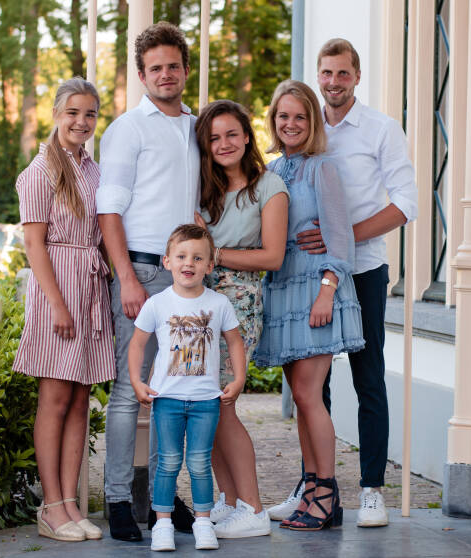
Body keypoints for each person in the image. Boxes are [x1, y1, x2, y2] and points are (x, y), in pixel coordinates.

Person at [272, 38, 419, 528]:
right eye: (326, 73)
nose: (333, 82)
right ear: (318, 75)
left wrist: (343, 236)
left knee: (368, 378)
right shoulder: (305, 125)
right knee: (312, 388)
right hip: (306, 277)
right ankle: (313, 487)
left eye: (342, 73)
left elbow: (406, 203)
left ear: (356, 76)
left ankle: (372, 489)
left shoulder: (380, 129)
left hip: (364, 270)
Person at [96, 21, 199, 542]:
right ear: (141, 75)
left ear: (185, 69)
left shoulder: (196, 127)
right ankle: (117, 500)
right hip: (141, 272)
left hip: (187, 277)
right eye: (155, 68)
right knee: (128, 390)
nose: (165, 75)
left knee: (173, 390)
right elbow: (108, 210)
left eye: (172, 66)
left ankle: (162, 497)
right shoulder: (127, 129)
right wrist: (128, 279)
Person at [253, 80, 365, 531]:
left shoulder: (324, 168)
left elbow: (340, 236)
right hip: (282, 289)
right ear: (273, 120)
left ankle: (327, 493)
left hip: (317, 288)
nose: (291, 123)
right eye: (284, 116)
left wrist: (326, 290)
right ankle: (312, 491)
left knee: (309, 395)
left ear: (312, 122)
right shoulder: (271, 171)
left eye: (300, 116)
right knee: (300, 398)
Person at [12, 77, 112, 543]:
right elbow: (34, 244)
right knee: (54, 399)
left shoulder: (93, 170)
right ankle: (51, 506)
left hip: (88, 289)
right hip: (58, 290)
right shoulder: (39, 172)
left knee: (79, 398)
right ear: (56, 114)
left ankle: (71, 503)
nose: (81, 121)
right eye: (73, 112)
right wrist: (56, 304)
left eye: (90, 113)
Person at [193, 100, 288, 538]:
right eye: (214, 138)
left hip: (239, 304)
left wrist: (214, 253)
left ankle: (253, 507)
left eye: (232, 134)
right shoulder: (203, 189)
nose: (224, 144)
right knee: (205, 406)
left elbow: (272, 256)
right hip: (200, 301)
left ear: (247, 137)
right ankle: (229, 501)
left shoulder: (269, 186)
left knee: (222, 405)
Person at [129, 224, 246, 551]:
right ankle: (162, 524)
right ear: (167, 261)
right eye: (181, 256)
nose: (188, 263)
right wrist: (137, 381)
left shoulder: (219, 303)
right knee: (167, 462)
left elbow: (235, 342)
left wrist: (238, 379)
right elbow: (137, 344)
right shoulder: (157, 304)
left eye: (197, 257)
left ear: (209, 265)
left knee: (198, 463)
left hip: (206, 401)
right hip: (166, 399)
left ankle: (203, 523)